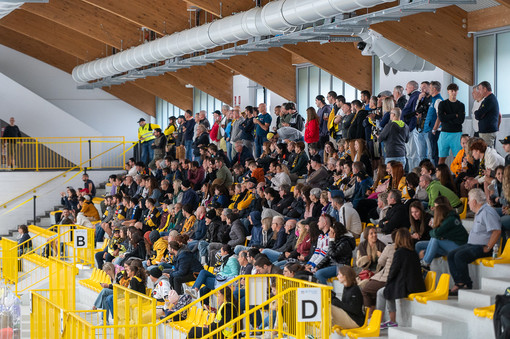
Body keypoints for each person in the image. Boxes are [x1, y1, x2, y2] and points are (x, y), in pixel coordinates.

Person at [447, 189, 501, 295]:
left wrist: (488, 247)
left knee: (459, 256)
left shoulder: (487, 212)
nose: (467, 203)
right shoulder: (479, 212)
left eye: (469, 200)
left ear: (475, 202)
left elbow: (497, 231)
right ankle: (459, 283)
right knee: (451, 255)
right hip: (472, 245)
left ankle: (467, 284)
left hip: (483, 247)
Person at [378, 228, 425, 329]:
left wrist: (388, 281)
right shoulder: (413, 252)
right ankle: (390, 321)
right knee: (389, 287)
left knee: (383, 291)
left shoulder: (399, 252)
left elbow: (393, 271)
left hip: (409, 286)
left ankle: (382, 320)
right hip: (417, 285)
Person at [415, 204, 468, 269]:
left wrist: (434, 227)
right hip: (449, 245)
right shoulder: (446, 219)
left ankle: (426, 262)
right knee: (419, 245)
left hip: (460, 247)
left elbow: (436, 233)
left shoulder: (450, 220)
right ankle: (421, 265)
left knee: (435, 239)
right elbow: (435, 233)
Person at [437, 83, 465, 164]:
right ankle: (440, 176)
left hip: (457, 134)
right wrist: (454, 115)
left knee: (458, 159)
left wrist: (447, 117)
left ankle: (458, 176)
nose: (454, 92)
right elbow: (441, 118)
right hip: (444, 133)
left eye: (455, 91)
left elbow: (460, 120)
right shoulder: (442, 104)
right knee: (441, 159)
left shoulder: (461, 105)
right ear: (448, 91)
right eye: (452, 91)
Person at [401, 81, 421, 171]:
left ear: (412, 87)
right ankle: (411, 171)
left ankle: (415, 172)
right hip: (407, 128)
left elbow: (414, 112)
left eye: (407, 87)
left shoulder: (416, 96)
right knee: (409, 154)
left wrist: (409, 127)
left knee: (414, 153)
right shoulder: (412, 97)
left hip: (411, 127)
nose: (406, 89)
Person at [474, 81, 499, 147]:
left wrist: (476, 112)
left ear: (485, 89)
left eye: (480, 89)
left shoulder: (489, 100)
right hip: (487, 132)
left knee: (488, 153)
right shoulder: (488, 99)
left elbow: (478, 114)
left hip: (488, 133)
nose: (479, 91)